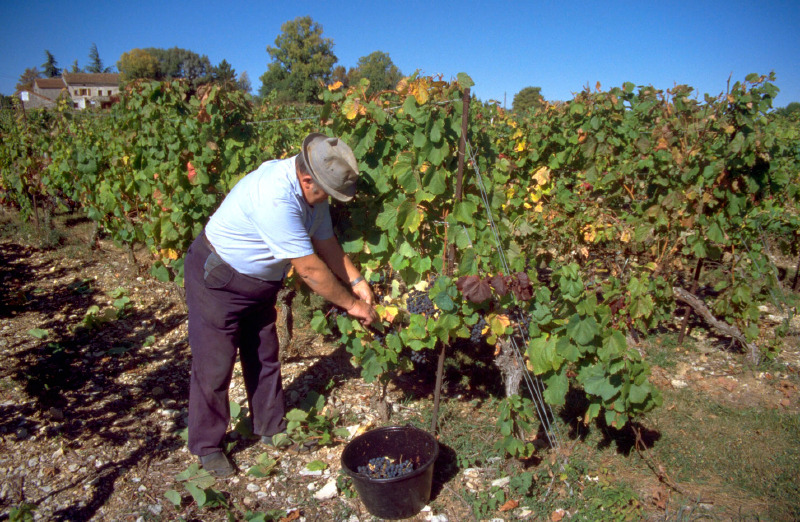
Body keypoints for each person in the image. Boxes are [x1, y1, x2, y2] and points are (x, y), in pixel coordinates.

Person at [183, 133, 377, 477]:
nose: (327, 201)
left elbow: (326, 242)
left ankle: (270, 428)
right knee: (214, 365)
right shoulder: (275, 196)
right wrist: (353, 305)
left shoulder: (312, 194)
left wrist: (357, 282)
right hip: (218, 279)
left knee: (263, 354)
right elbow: (310, 270)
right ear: (306, 179)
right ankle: (208, 445)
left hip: (260, 284)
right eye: (326, 194)